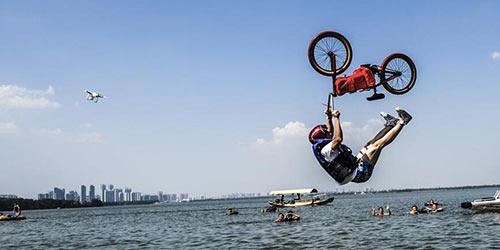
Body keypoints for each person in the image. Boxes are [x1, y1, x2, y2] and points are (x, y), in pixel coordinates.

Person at [310, 107, 412, 185]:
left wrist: (329, 117)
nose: (329, 131)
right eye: (326, 131)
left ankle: (391, 124)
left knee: (369, 144)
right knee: (376, 146)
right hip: (360, 174)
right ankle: (403, 121)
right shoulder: (326, 150)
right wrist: (336, 118)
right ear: (323, 136)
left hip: (355, 165)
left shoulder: (322, 145)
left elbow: (330, 131)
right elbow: (338, 138)